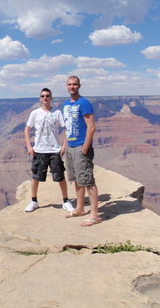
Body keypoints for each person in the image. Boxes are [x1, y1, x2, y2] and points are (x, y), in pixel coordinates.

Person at [24, 88, 74, 213]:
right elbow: (27, 129)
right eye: (43, 96)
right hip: (39, 150)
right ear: (40, 98)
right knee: (36, 176)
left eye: (47, 95)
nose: (45, 97)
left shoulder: (57, 113)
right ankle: (34, 201)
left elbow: (66, 128)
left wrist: (64, 146)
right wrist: (29, 146)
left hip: (54, 150)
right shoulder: (35, 113)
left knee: (60, 176)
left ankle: (66, 201)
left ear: (51, 98)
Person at [62, 76, 101, 226]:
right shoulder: (66, 105)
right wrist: (65, 144)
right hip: (70, 147)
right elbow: (68, 127)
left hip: (80, 146)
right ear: (67, 86)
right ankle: (79, 208)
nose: (72, 87)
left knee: (88, 180)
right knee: (77, 179)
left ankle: (95, 214)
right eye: (69, 84)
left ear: (79, 86)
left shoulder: (84, 103)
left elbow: (91, 126)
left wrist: (85, 147)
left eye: (75, 84)